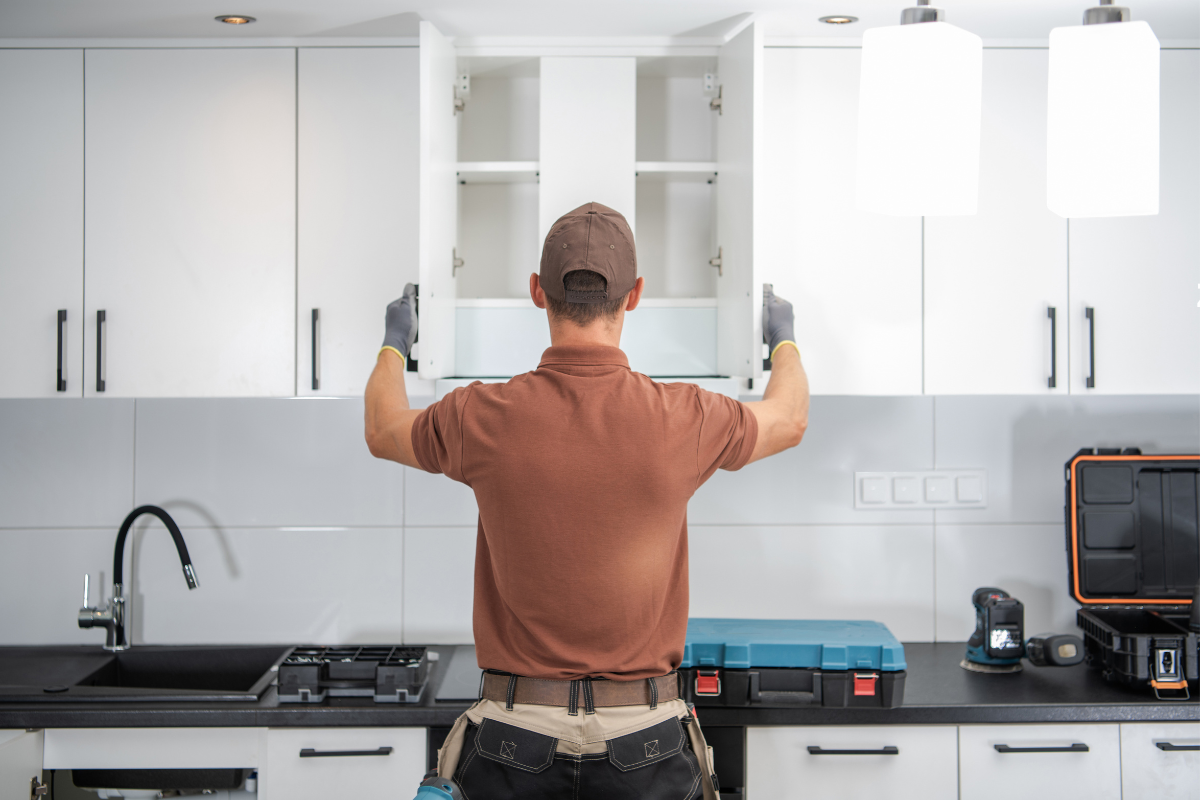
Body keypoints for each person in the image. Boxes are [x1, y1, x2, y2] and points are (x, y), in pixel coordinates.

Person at [365, 201, 808, 800]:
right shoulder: (685, 417)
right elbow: (789, 419)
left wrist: (396, 341)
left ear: (536, 292)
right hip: (646, 743)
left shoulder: (479, 416)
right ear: (635, 295)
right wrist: (782, 338)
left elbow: (383, 427)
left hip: (512, 741)